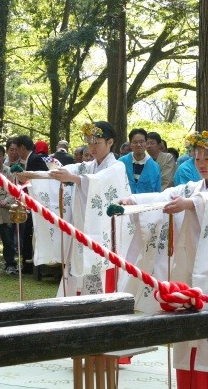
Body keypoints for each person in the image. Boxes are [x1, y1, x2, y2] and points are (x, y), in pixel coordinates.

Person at [119, 130, 208, 388]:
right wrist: (134, 200)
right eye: (197, 158)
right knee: (190, 338)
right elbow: (166, 195)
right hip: (192, 270)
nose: (202, 163)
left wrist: (191, 204)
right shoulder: (192, 187)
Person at [49, 121, 132, 296]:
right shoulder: (89, 166)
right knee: (80, 269)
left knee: (101, 269)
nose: (92, 148)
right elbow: (73, 169)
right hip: (86, 228)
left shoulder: (117, 166)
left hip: (106, 231)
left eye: (97, 143)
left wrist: (73, 178)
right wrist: (46, 172)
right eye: (89, 143)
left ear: (110, 142)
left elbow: (99, 180)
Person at [15, 135, 49, 273]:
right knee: (27, 231)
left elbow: (42, 179)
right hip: (31, 201)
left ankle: (29, 263)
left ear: (23, 147)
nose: (17, 152)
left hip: (36, 202)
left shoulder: (35, 159)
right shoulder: (31, 159)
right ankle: (28, 262)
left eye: (18, 149)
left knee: (29, 231)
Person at [0, 144, 18, 275]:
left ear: (3, 156)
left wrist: (6, 201)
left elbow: (14, 190)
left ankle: (10, 264)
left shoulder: (9, 171)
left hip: (6, 209)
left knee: (8, 240)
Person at [119, 128, 161, 194]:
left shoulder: (155, 167)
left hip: (146, 203)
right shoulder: (121, 163)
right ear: (130, 144)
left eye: (141, 142)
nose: (138, 145)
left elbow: (157, 192)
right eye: (135, 142)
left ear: (146, 143)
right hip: (124, 202)